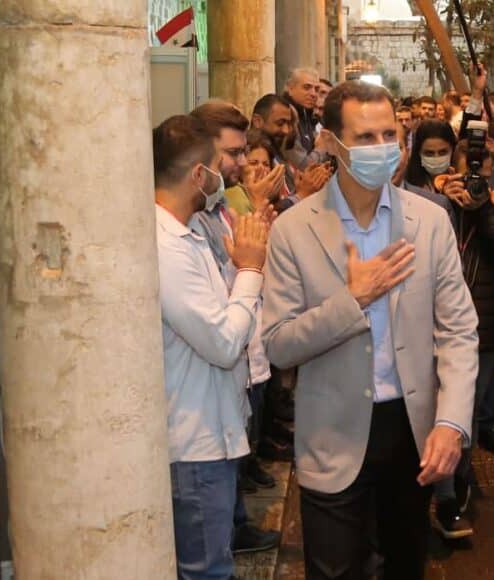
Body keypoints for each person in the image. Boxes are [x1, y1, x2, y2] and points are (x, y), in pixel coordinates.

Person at [261, 80, 478, 580]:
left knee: (405, 566)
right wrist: (352, 300)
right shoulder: (294, 229)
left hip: (411, 430)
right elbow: (278, 344)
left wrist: (452, 422)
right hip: (331, 433)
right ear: (331, 142)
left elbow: (459, 331)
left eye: (389, 135)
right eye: (365, 137)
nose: (382, 148)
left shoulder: (429, 221)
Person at [153, 114, 270, 580]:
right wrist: (251, 270)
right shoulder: (166, 245)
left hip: (211, 429)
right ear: (200, 175)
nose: (228, 176)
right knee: (206, 571)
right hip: (193, 443)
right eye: (220, 166)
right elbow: (222, 342)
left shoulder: (189, 232)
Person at [188, 101, 283, 555]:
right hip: (213, 369)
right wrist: (248, 263)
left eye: (244, 152)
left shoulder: (219, 204)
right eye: (233, 153)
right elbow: (222, 296)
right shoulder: (188, 221)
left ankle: (235, 526)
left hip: (242, 355)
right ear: (200, 157)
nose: (242, 163)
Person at [429, 135, 494, 540]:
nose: (475, 180)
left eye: (482, 172)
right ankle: (443, 489)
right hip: (434, 324)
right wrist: (444, 198)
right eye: (468, 171)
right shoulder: (436, 205)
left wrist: (483, 206)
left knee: (463, 413)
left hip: (485, 327)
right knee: (436, 410)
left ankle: (453, 487)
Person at [401, 119, 457, 221]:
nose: (436, 157)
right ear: (419, 153)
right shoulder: (406, 183)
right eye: (429, 153)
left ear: (452, 149)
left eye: (443, 152)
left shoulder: (461, 179)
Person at [282, 68, 322, 168]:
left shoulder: (306, 113)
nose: (313, 94)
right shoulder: (285, 115)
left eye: (316, 89)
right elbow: (303, 165)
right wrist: (322, 147)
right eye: (307, 87)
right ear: (290, 89)